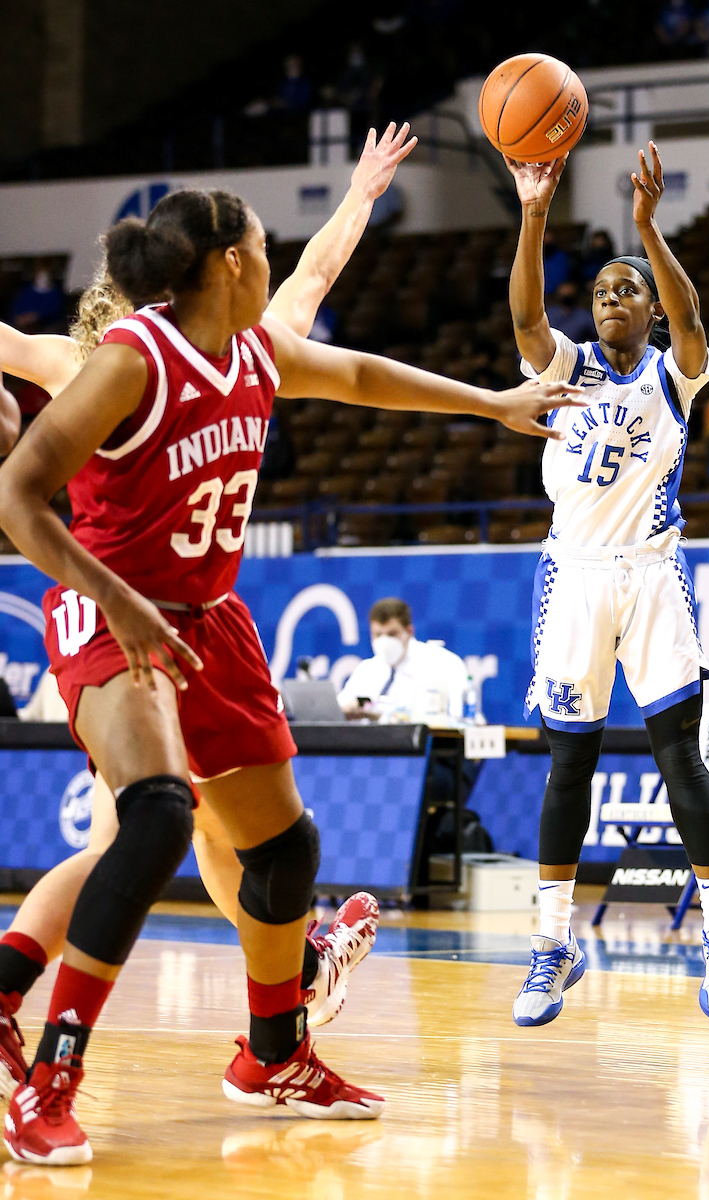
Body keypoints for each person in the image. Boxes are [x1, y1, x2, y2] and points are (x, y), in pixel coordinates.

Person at [0, 182, 581, 1163]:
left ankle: (274, 1053)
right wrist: (121, 597)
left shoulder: (257, 354)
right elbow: (19, 496)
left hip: (205, 620)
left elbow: (357, 374)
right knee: (152, 816)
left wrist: (493, 404)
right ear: (231, 262)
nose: (275, 256)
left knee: (284, 854)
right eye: (265, 243)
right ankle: (50, 1073)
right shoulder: (128, 360)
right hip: (109, 604)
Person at [0, 122, 421, 1120]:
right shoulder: (101, 365)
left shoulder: (226, 349)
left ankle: (280, 1001)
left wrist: (359, 199)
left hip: (197, 622)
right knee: (149, 836)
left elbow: (309, 287)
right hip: (119, 620)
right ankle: (268, 989)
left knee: (226, 840)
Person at [504, 140, 709, 1033]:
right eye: (603, 289)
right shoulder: (560, 368)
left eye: (628, 289)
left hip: (651, 573)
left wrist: (647, 229)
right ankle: (552, 943)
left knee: (678, 756)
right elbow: (526, 312)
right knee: (569, 762)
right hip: (574, 575)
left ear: (647, 307)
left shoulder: (674, 375)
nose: (613, 299)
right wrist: (534, 214)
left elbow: (690, 318)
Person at [337, 597, 468, 724]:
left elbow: (457, 718)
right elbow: (336, 711)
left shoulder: (443, 663)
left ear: (409, 631)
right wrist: (348, 711)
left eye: (392, 634)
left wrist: (385, 717)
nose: (384, 641)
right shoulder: (366, 669)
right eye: (378, 634)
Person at [10, 262, 65, 334]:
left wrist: (36, 317)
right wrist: (24, 318)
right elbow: (16, 311)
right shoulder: (25, 293)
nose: (42, 278)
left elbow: (55, 312)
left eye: (45, 275)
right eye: (40, 275)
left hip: (44, 328)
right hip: (22, 328)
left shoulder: (55, 294)